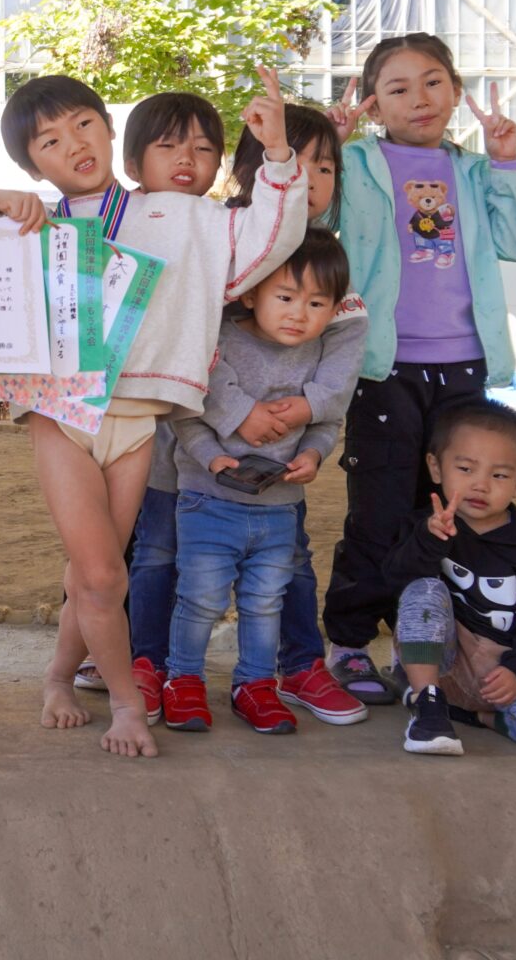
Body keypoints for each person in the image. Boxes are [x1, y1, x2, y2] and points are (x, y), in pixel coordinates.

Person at [0, 73, 306, 757]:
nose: (72, 144)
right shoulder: (24, 220)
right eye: (49, 140)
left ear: (110, 130)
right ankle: (129, 706)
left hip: (136, 418)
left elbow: (268, 239)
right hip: (56, 413)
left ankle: (56, 677)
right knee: (105, 574)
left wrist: (278, 156)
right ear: (31, 163)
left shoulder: (181, 214)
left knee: (87, 573)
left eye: (83, 125)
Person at [124, 102, 370, 730]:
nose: (308, 179)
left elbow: (340, 368)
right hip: (180, 441)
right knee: (157, 551)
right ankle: (147, 664)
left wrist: (308, 411)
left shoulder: (330, 271)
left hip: (274, 461)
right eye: (290, 161)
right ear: (251, 171)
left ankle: (297, 665)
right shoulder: (223, 243)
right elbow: (189, 340)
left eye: (324, 165)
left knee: (284, 564)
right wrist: (238, 413)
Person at [322, 34, 516, 705]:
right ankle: (350, 641)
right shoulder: (357, 162)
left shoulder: (479, 171)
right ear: (371, 104)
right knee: (381, 511)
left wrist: (510, 165)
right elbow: (314, 216)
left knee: (452, 512)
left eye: (432, 82)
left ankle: (427, 649)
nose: (418, 99)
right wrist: (326, 151)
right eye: (397, 88)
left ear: (455, 91)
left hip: (463, 371)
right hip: (383, 367)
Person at [164, 231, 352, 734]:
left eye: (316, 303)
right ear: (250, 293)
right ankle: (182, 680)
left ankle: (255, 684)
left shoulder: (316, 358)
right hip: (209, 500)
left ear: (335, 310)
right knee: (200, 599)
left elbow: (326, 423)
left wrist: (312, 455)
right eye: (286, 297)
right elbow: (185, 411)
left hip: (279, 508)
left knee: (265, 603)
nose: (298, 313)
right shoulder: (220, 342)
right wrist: (211, 458)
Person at [384, 401, 516, 755]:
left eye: (499, 475)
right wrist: (429, 539)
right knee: (424, 589)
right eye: (466, 468)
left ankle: (470, 715)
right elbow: (396, 581)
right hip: (444, 662)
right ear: (436, 468)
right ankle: (427, 702)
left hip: (500, 671)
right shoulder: (424, 525)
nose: (480, 485)